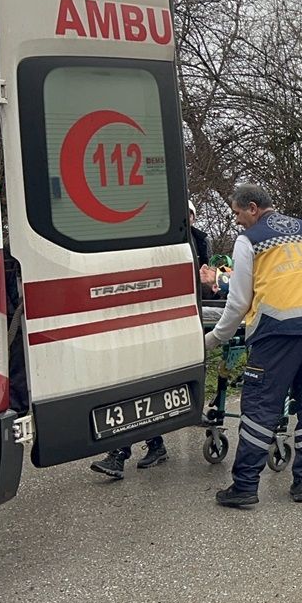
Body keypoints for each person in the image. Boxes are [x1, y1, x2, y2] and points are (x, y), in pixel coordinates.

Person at [205, 184, 302, 507]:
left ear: (252, 208)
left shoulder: (249, 239)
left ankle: (245, 487)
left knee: (260, 406)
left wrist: (213, 339)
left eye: (238, 213)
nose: (237, 221)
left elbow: (238, 302)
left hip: (278, 330)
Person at [90, 200, 208, 478]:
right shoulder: (154, 242)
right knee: (138, 387)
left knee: (143, 387)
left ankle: (126, 452)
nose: (184, 219)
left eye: (188, 214)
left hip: (177, 319)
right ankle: (142, 448)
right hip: (152, 318)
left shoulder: (195, 242)